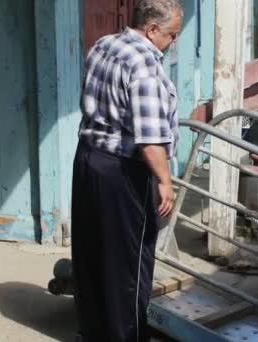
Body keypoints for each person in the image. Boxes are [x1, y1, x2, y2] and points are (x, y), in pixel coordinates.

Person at [71, 0, 183, 341]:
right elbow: (149, 138)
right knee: (129, 265)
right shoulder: (145, 65)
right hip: (124, 171)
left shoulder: (105, 45)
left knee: (92, 253)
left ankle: (93, 332)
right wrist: (164, 180)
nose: (173, 41)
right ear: (151, 29)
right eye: (171, 34)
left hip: (89, 159)